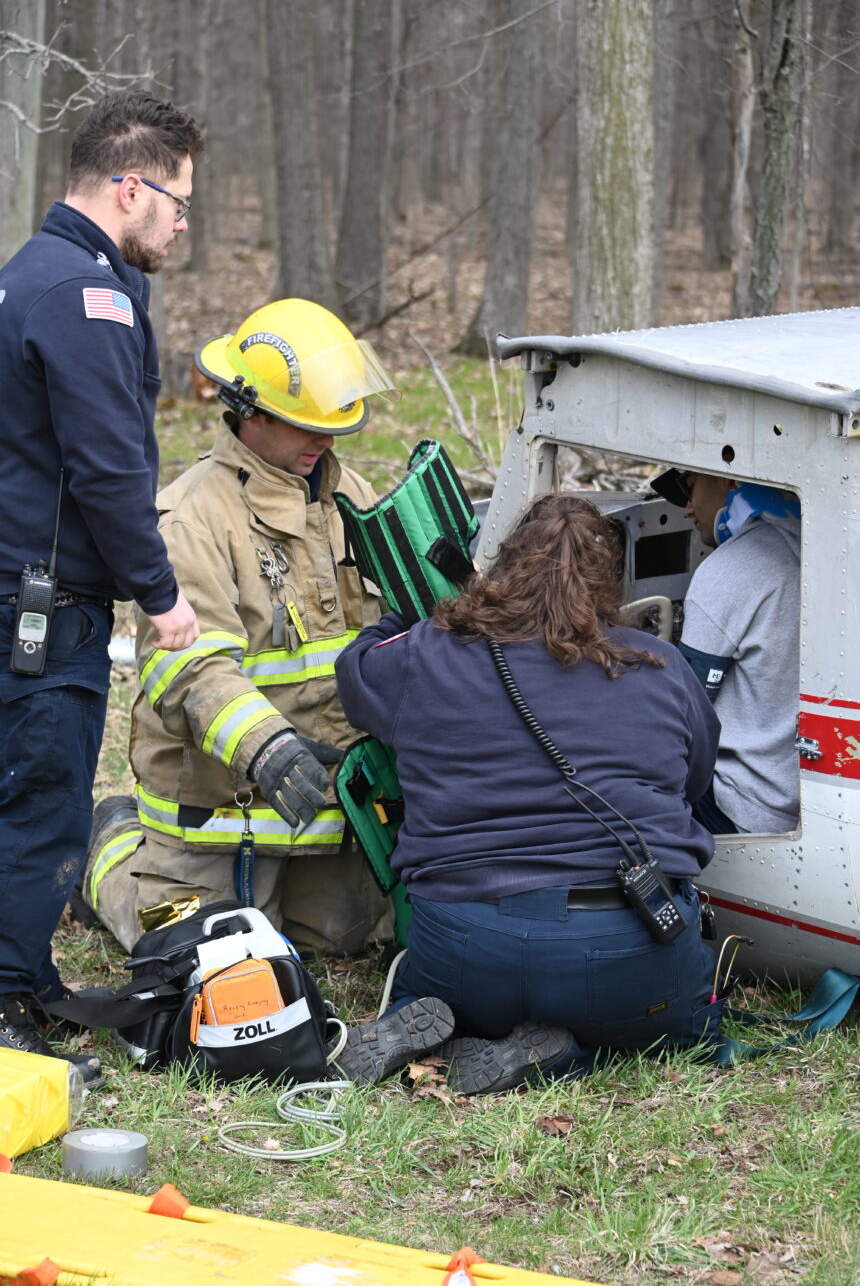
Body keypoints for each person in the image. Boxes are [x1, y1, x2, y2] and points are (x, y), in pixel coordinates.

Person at [334, 495, 725, 1094]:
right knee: (689, 1027)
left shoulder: (428, 652)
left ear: (504, 567)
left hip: (467, 944)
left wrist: (413, 614)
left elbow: (355, 669)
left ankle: (425, 1018)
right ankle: (567, 1053)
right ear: (608, 583)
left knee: (434, 988)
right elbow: (694, 783)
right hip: (627, 940)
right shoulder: (661, 665)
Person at [76, 298, 399, 958]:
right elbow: (189, 665)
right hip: (222, 820)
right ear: (250, 411)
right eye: (304, 424)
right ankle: (111, 848)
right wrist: (266, 745)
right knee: (194, 945)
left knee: (348, 937)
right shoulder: (191, 517)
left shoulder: (354, 500)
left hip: (327, 817)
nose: (326, 441)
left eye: (333, 425)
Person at [0, 91, 204, 1081]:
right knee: (41, 799)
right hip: (43, 603)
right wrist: (160, 595)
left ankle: (24, 974)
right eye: (177, 201)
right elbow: (109, 467)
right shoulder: (87, 297)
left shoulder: (27, 274)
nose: (182, 223)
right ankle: (6, 1003)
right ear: (129, 188)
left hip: (19, 584)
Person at [650, 469, 801, 835]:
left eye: (690, 488)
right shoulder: (817, 549)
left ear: (729, 478)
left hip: (740, 804)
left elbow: (685, 716)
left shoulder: (729, 568)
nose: (687, 509)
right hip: (800, 800)